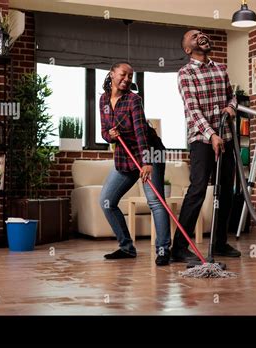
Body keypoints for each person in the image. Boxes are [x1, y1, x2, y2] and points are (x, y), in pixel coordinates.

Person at [171, 29, 241, 262]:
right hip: (201, 140)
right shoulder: (185, 73)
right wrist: (211, 135)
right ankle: (179, 247)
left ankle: (220, 242)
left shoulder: (221, 69)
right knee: (198, 189)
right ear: (187, 49)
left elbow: (233, 96)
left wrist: (231, 107)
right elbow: (192, 111)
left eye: (202, 33)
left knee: (225, 192)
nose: (200, 36)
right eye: (193, 36)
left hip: (227, 139)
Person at [99, 61, 171, 266]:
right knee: (106, 201)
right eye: (123, 74)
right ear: (112, 74)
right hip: (125, 156)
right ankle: (126, 247)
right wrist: (110, 135)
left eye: (130, 76)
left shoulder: (134, 100)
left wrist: (147, 162)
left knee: (155, 201)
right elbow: (104, 131)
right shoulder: (104, 100)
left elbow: (141, 133)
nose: (127, 79)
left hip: (150, 152)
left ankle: (164, 249)